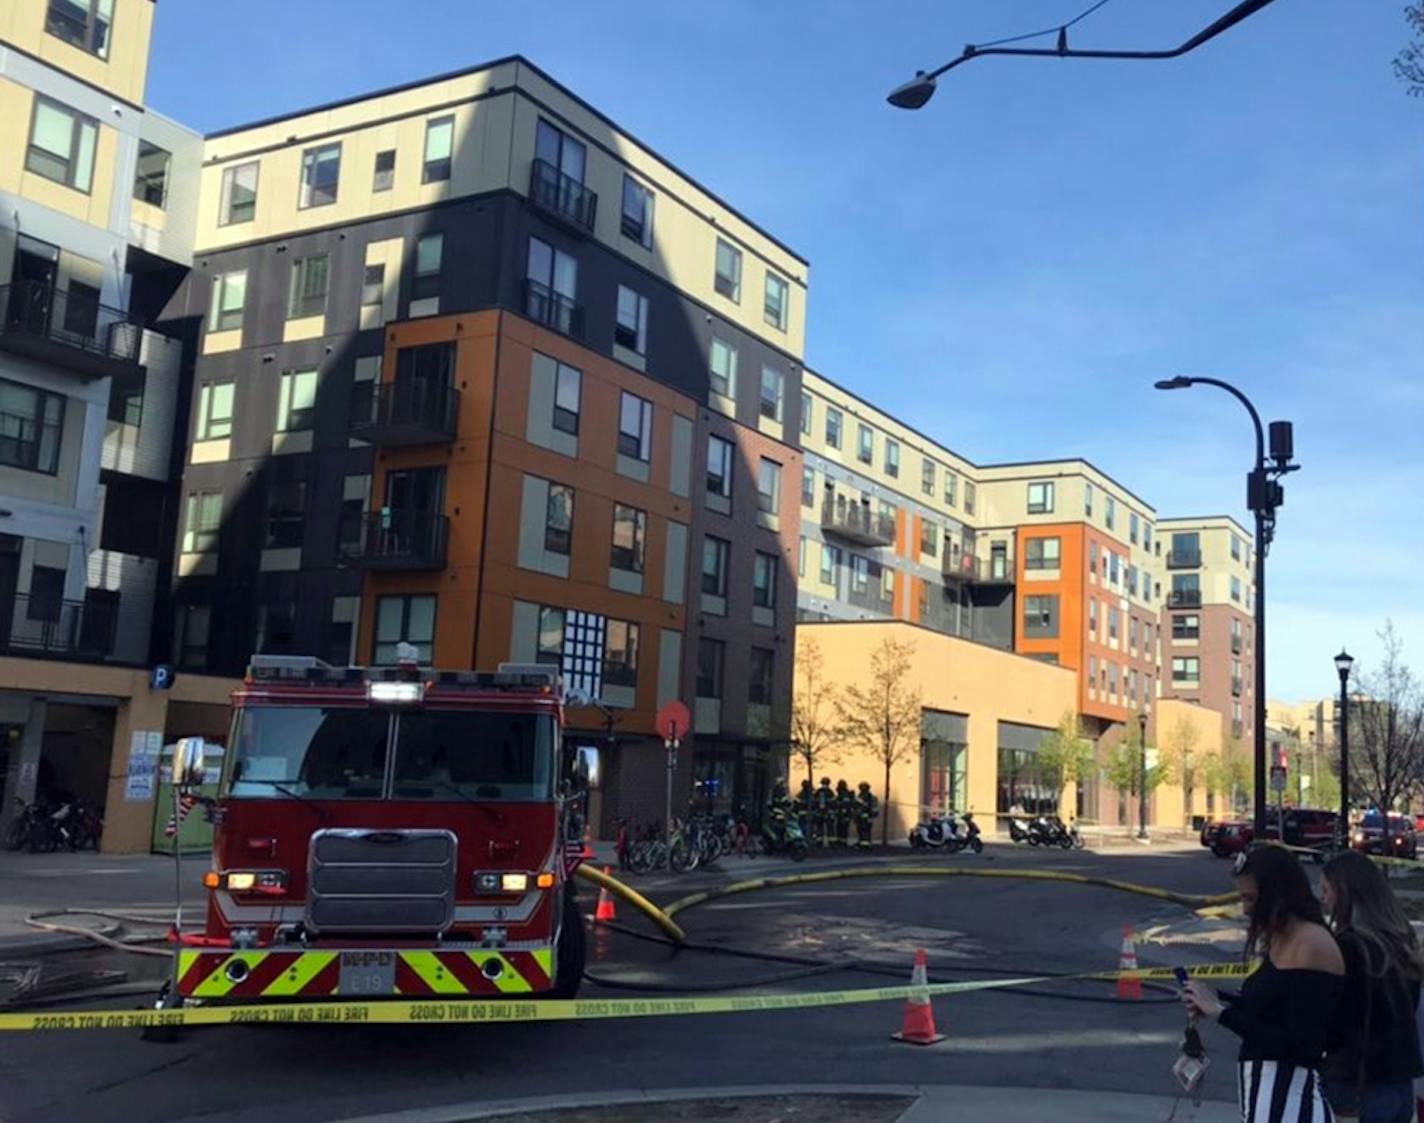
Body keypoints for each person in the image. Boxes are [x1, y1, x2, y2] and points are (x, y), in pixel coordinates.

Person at [1182, 845, 1344, 1122]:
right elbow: (1267, 1008)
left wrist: (1221, 1012)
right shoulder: (1283, 937)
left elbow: (1300, 1044)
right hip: (1266, 1094)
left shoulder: (1312, 943)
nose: (1245, 909)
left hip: (1290, 1100)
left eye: (1250, 898)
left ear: (1276, 896)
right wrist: (1212, 997)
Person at [1320, 850, 1423, 1122]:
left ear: (1345, 893)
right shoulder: (1401, 941)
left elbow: (1337, 1021)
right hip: (1400, 1084)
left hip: (1356, 1083)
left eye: (1327, 890)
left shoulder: (1349, 947)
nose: (1324, 898)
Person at [855, 782, 879, 849]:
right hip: (867, 817)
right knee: (863, 831)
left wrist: (858, 801)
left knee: (864, 831)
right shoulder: (868, 796)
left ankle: (864, 845)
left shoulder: (866, 796)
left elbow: (863, 806)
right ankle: (863, 843)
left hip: (865, 817)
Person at [814, 776, 835, 847]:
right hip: (828, 813)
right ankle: (831, 843)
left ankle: (819, 842)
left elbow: (814, 802)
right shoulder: (830, 792)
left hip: (820, 813)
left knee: (820, 828)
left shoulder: (818, 791)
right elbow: (833, 803)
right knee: (830, 828)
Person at [833, 780, 853, 847]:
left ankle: (843, 843)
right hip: (841, 815)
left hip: (844, 815)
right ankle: (841, 842)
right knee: (840, 828)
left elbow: (846, 806)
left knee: (843, 829)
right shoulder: (841, 794)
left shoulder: (844, 795)